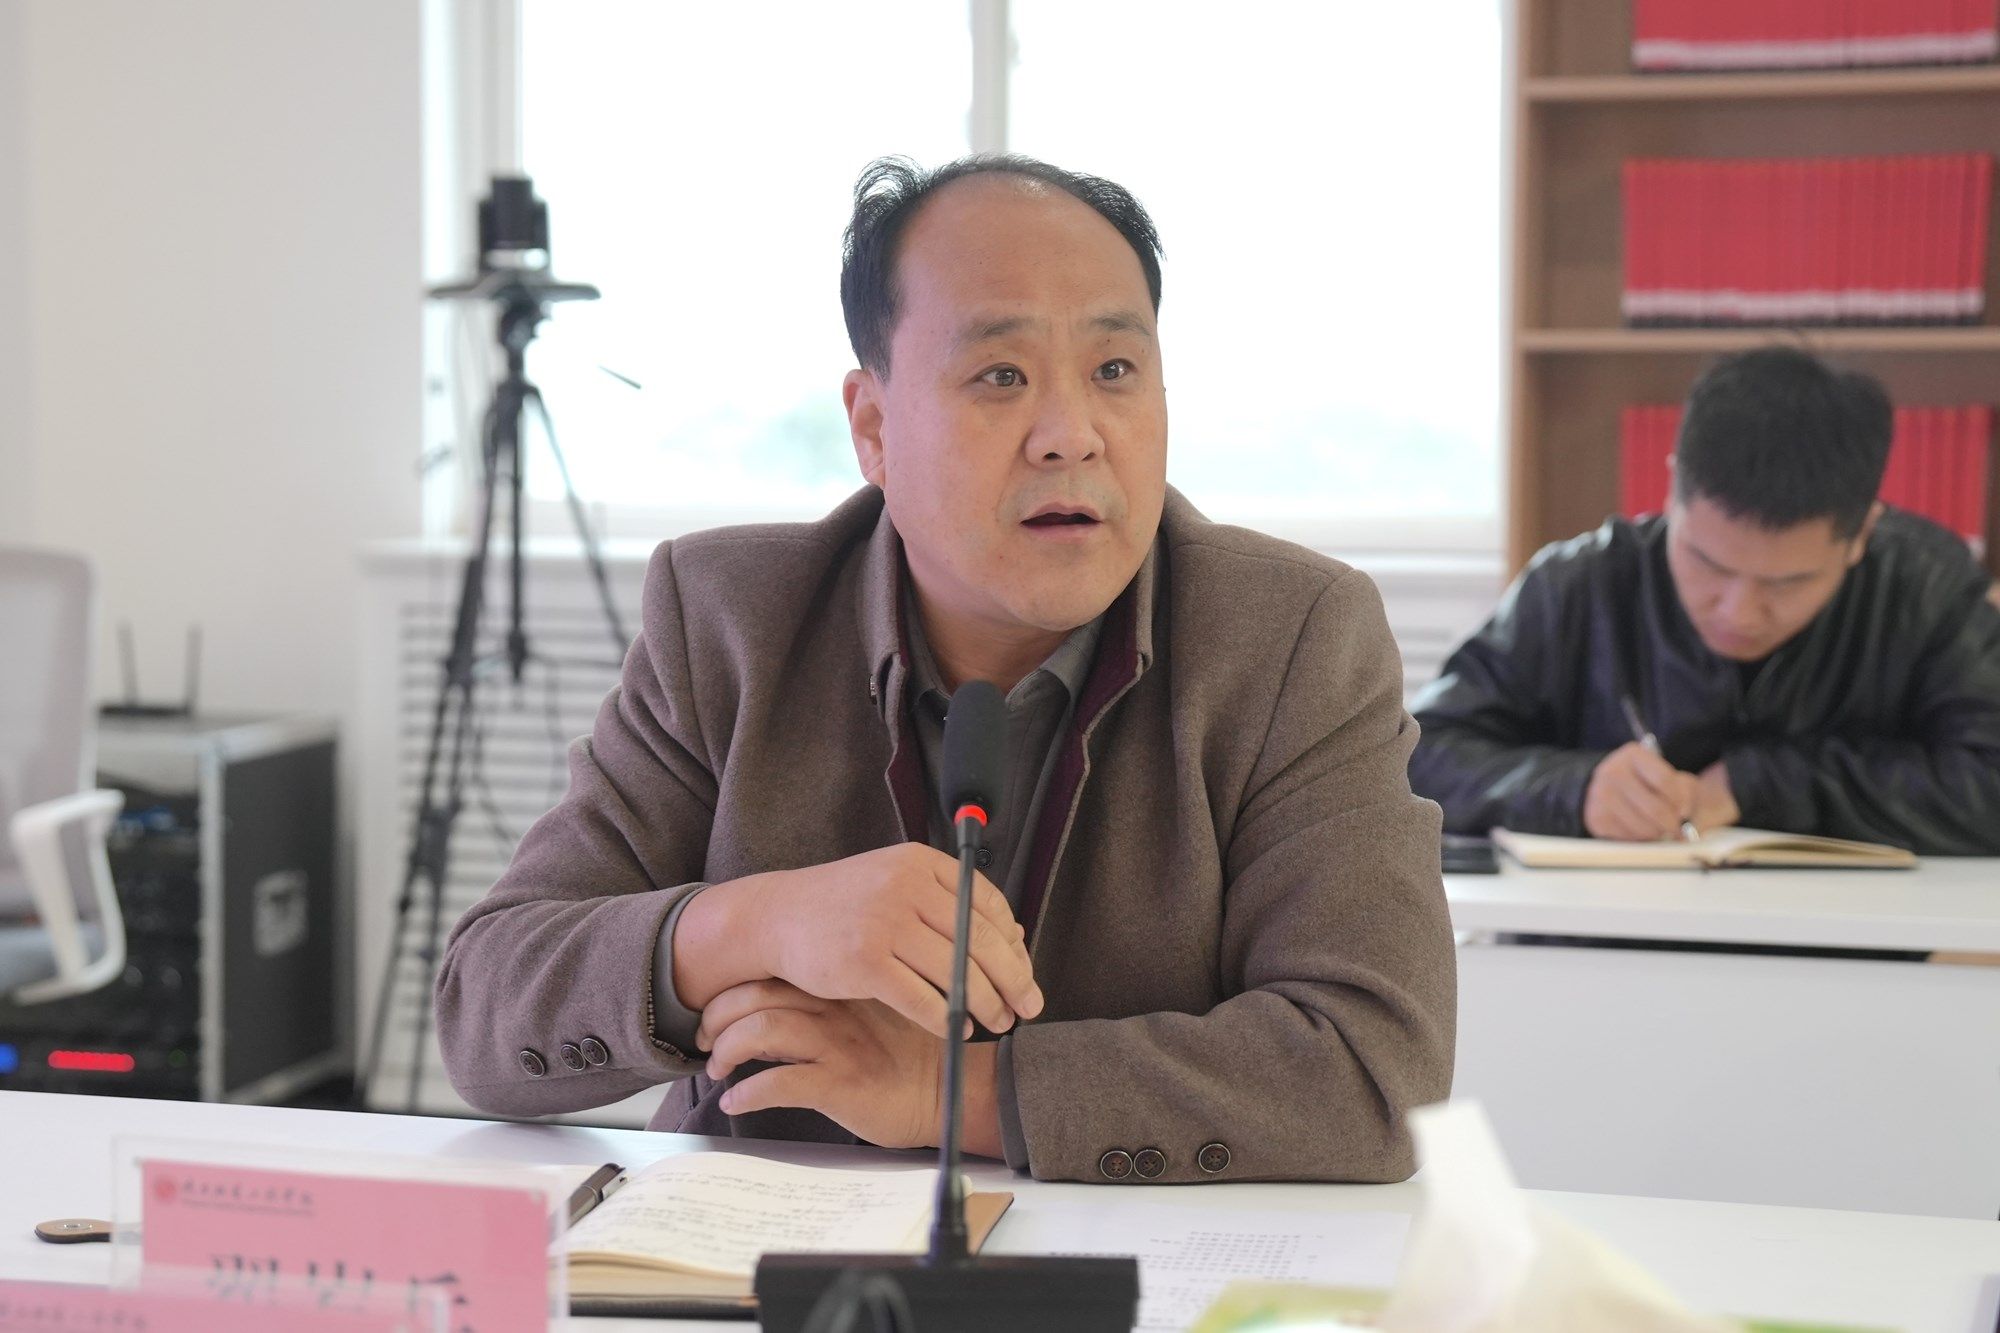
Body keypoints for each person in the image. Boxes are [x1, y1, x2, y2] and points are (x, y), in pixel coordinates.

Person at [435, 155, 1455, 1184]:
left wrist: (942, 1087)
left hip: (1137, 1255)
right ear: (873, 427)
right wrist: (755, 921)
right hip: (758, 1241)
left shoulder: (1291, 637)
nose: (1072, 437)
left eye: (1113, 370)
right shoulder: (730, 620)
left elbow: (1376, 1071)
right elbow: (482, 1012)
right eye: (1001, 376)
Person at [1410, 346, 2000, 855]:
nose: (1738, 612)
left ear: (1862, 534)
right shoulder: (1578, 586)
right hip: (1600, 938)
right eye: (1707, 564)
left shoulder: (1928, 590)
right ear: (1672, 492)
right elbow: (1422, 756)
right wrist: (1574, 789)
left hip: (1857, 943)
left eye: (1787, 583)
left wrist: (1759, 785)